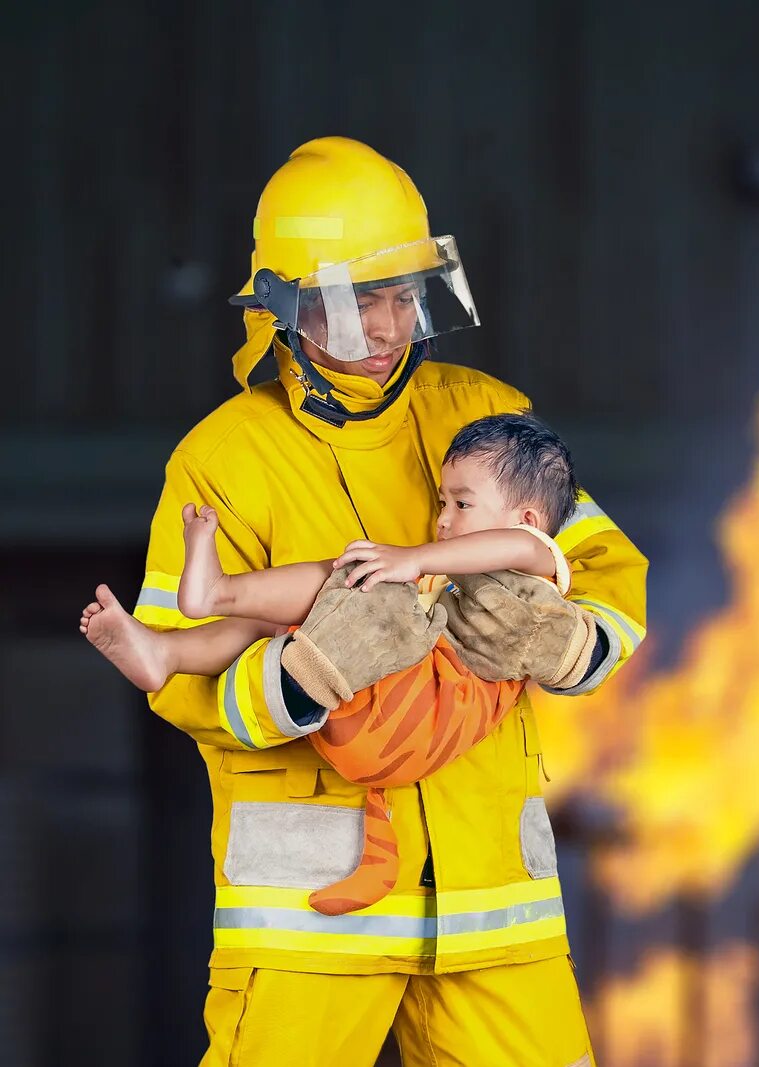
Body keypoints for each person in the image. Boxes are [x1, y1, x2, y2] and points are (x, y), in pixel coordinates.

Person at [130, 136, 646, 1066]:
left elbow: (601, 565)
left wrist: (566, 643)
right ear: (285, 311)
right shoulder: (223, 457)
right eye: (352, 303)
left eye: (403, 295)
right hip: (310, 922)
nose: (387, 328)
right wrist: (301, 674)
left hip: (493, 904)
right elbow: (173, 667)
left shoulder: (488, 416)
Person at [84, 411, 588, 917]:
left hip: (422, 715)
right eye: (442, 502)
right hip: (384, 728)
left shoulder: (536, 560)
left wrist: (414, 559)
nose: (443, 520)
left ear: (527, 518)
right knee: (308, 612)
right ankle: (170, 648)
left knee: (361, 582)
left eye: (461, 504)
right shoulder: (456, 578)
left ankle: (222, 593)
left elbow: (511, 545)